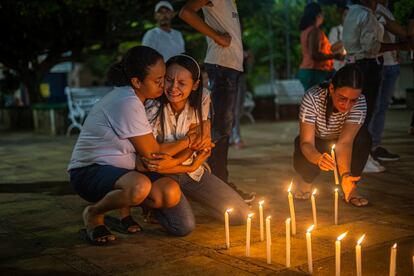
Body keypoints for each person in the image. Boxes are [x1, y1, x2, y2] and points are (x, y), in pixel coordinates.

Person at [68, 46, 198, 245]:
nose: (164, 85)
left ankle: (124, 209)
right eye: (158, 80)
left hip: (124, 170)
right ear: (137, 82)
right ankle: (94, 214)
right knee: (139, 186)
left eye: (164, 77)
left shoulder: (138, 98)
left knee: (169, 191)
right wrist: (190, 141)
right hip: (89, 171)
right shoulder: (126, 101)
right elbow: (154, 153)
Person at [142, 54, 250, 228]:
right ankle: (150, 202)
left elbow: (200, 144)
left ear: (196, 85)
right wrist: (189, 141)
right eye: (169, 80)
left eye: (182, 83)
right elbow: (153, 156)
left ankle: (192, 199)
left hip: (193, 172)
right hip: (162, 176)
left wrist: (179, 161)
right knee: (183, 226)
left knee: (241, 215)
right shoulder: (153, 106)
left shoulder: (203, 98)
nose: (173, 88)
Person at [179, 0, 255, 202]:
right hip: (222, 66)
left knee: (223, 129)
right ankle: (218, 187)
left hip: (229, 68)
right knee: (220, 130)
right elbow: (186, 12)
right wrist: (217, 37)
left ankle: (218, 184)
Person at [343, 0, 410, 172]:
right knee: (364, 115)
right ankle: (361, 160)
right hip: (366, 66)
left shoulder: (355, 12)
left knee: (359, 115)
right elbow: (371, 47)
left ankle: (359, 157)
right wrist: (400, 46)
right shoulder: (367, 16)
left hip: (355, 65)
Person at [293, 64, 370, 207]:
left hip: (341, 143)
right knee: (306, 157)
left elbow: (345, 143)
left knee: (363, 138)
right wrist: (318, 158)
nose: (347, 106)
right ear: (332, 88)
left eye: (352, 100)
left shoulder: (360, 102)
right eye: (342, 98)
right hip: (316, 142)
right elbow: (306, 143)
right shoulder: (313, 97)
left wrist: (345, 175)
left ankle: (350, 187)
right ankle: (306, 180)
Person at [369, 0, 401, 161]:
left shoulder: (385, 9)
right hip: (382, 64)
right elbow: (385, 35)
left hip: (390, 64)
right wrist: (400, 46)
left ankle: (374, 145)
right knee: (375, 107)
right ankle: (369, 148)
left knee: (381, 107)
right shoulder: (375, 9)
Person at [297, 2, 343, 91]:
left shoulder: (305, 31)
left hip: (309, 70)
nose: (323, 16)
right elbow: (314, 54)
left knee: (313, 101)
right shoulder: (315, 31)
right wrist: (335, 56)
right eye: (322, 13)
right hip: (314, 71)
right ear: (317, 15)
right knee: (317, 102)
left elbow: (324, 49)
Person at [328, 6, 348, 71]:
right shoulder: (335, 30)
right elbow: (331, 48)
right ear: (341, 17)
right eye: (345, 15)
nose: (347, 18)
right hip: (336, 68)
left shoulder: (355, 32)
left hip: (350, 68)